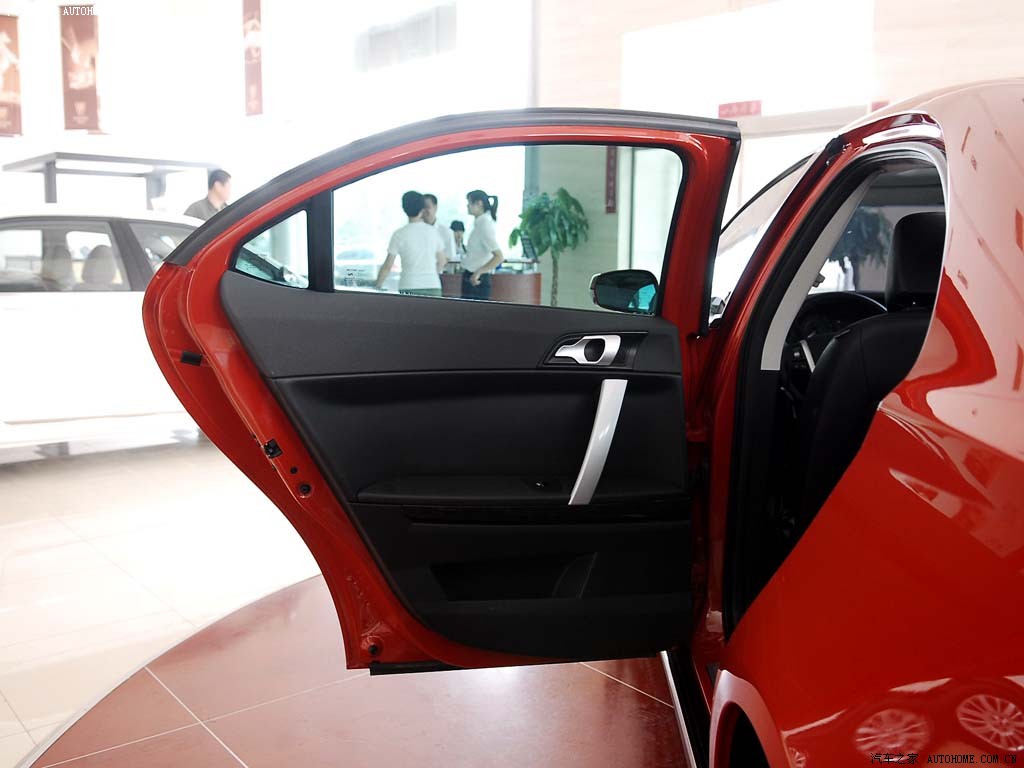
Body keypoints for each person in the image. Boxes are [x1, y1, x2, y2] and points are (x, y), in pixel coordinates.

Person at [374, 190, 446, 296]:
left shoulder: (399, 234)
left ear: (404, 209)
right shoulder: (433, 232)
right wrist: (431, 274)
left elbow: (388, 266)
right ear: (422, 209)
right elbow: (442, 261)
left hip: (409, 285)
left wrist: (377, 285)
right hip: (433, 285)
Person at [462, 189, 503, 300]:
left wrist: (479, 273)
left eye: (469, 203)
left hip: (477, 280)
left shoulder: (484, 225)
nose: (467, 206)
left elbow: (498, 256)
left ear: (479, 203)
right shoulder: (479, 223)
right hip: (471, 276)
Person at [421, 193, 455, 265]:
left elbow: (449, 256)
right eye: (422, 207)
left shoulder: (446, 232)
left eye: (427, 207)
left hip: (437, 270)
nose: (424, 210)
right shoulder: (415, 230)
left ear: (435, 207)